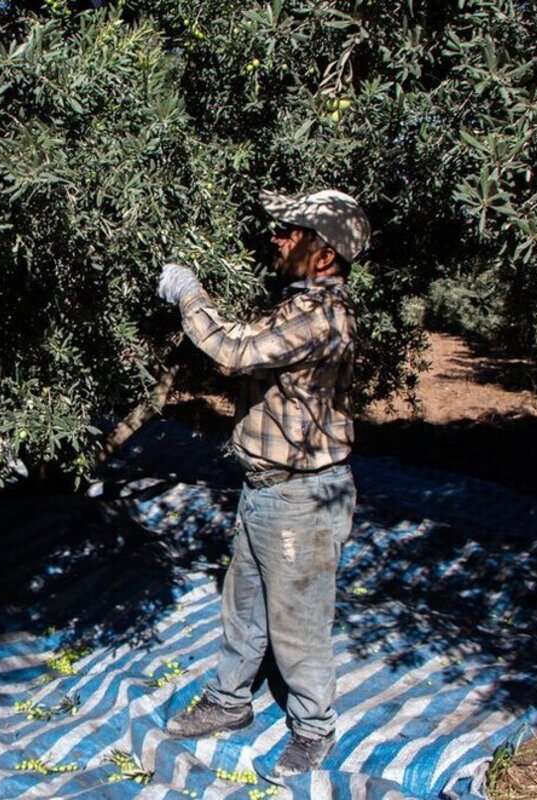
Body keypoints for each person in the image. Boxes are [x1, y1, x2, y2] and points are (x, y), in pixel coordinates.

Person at [156, 188, 370, 781]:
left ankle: (313, 728)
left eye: (292, 232)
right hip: (268, 489)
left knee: (298, 622)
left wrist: (188, 294)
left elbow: (232, 351)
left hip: (302, 497)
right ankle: (230, 702)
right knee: (243, 604)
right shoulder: (298, 302)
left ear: (324, 255)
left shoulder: (318, 314)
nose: (277, 237)